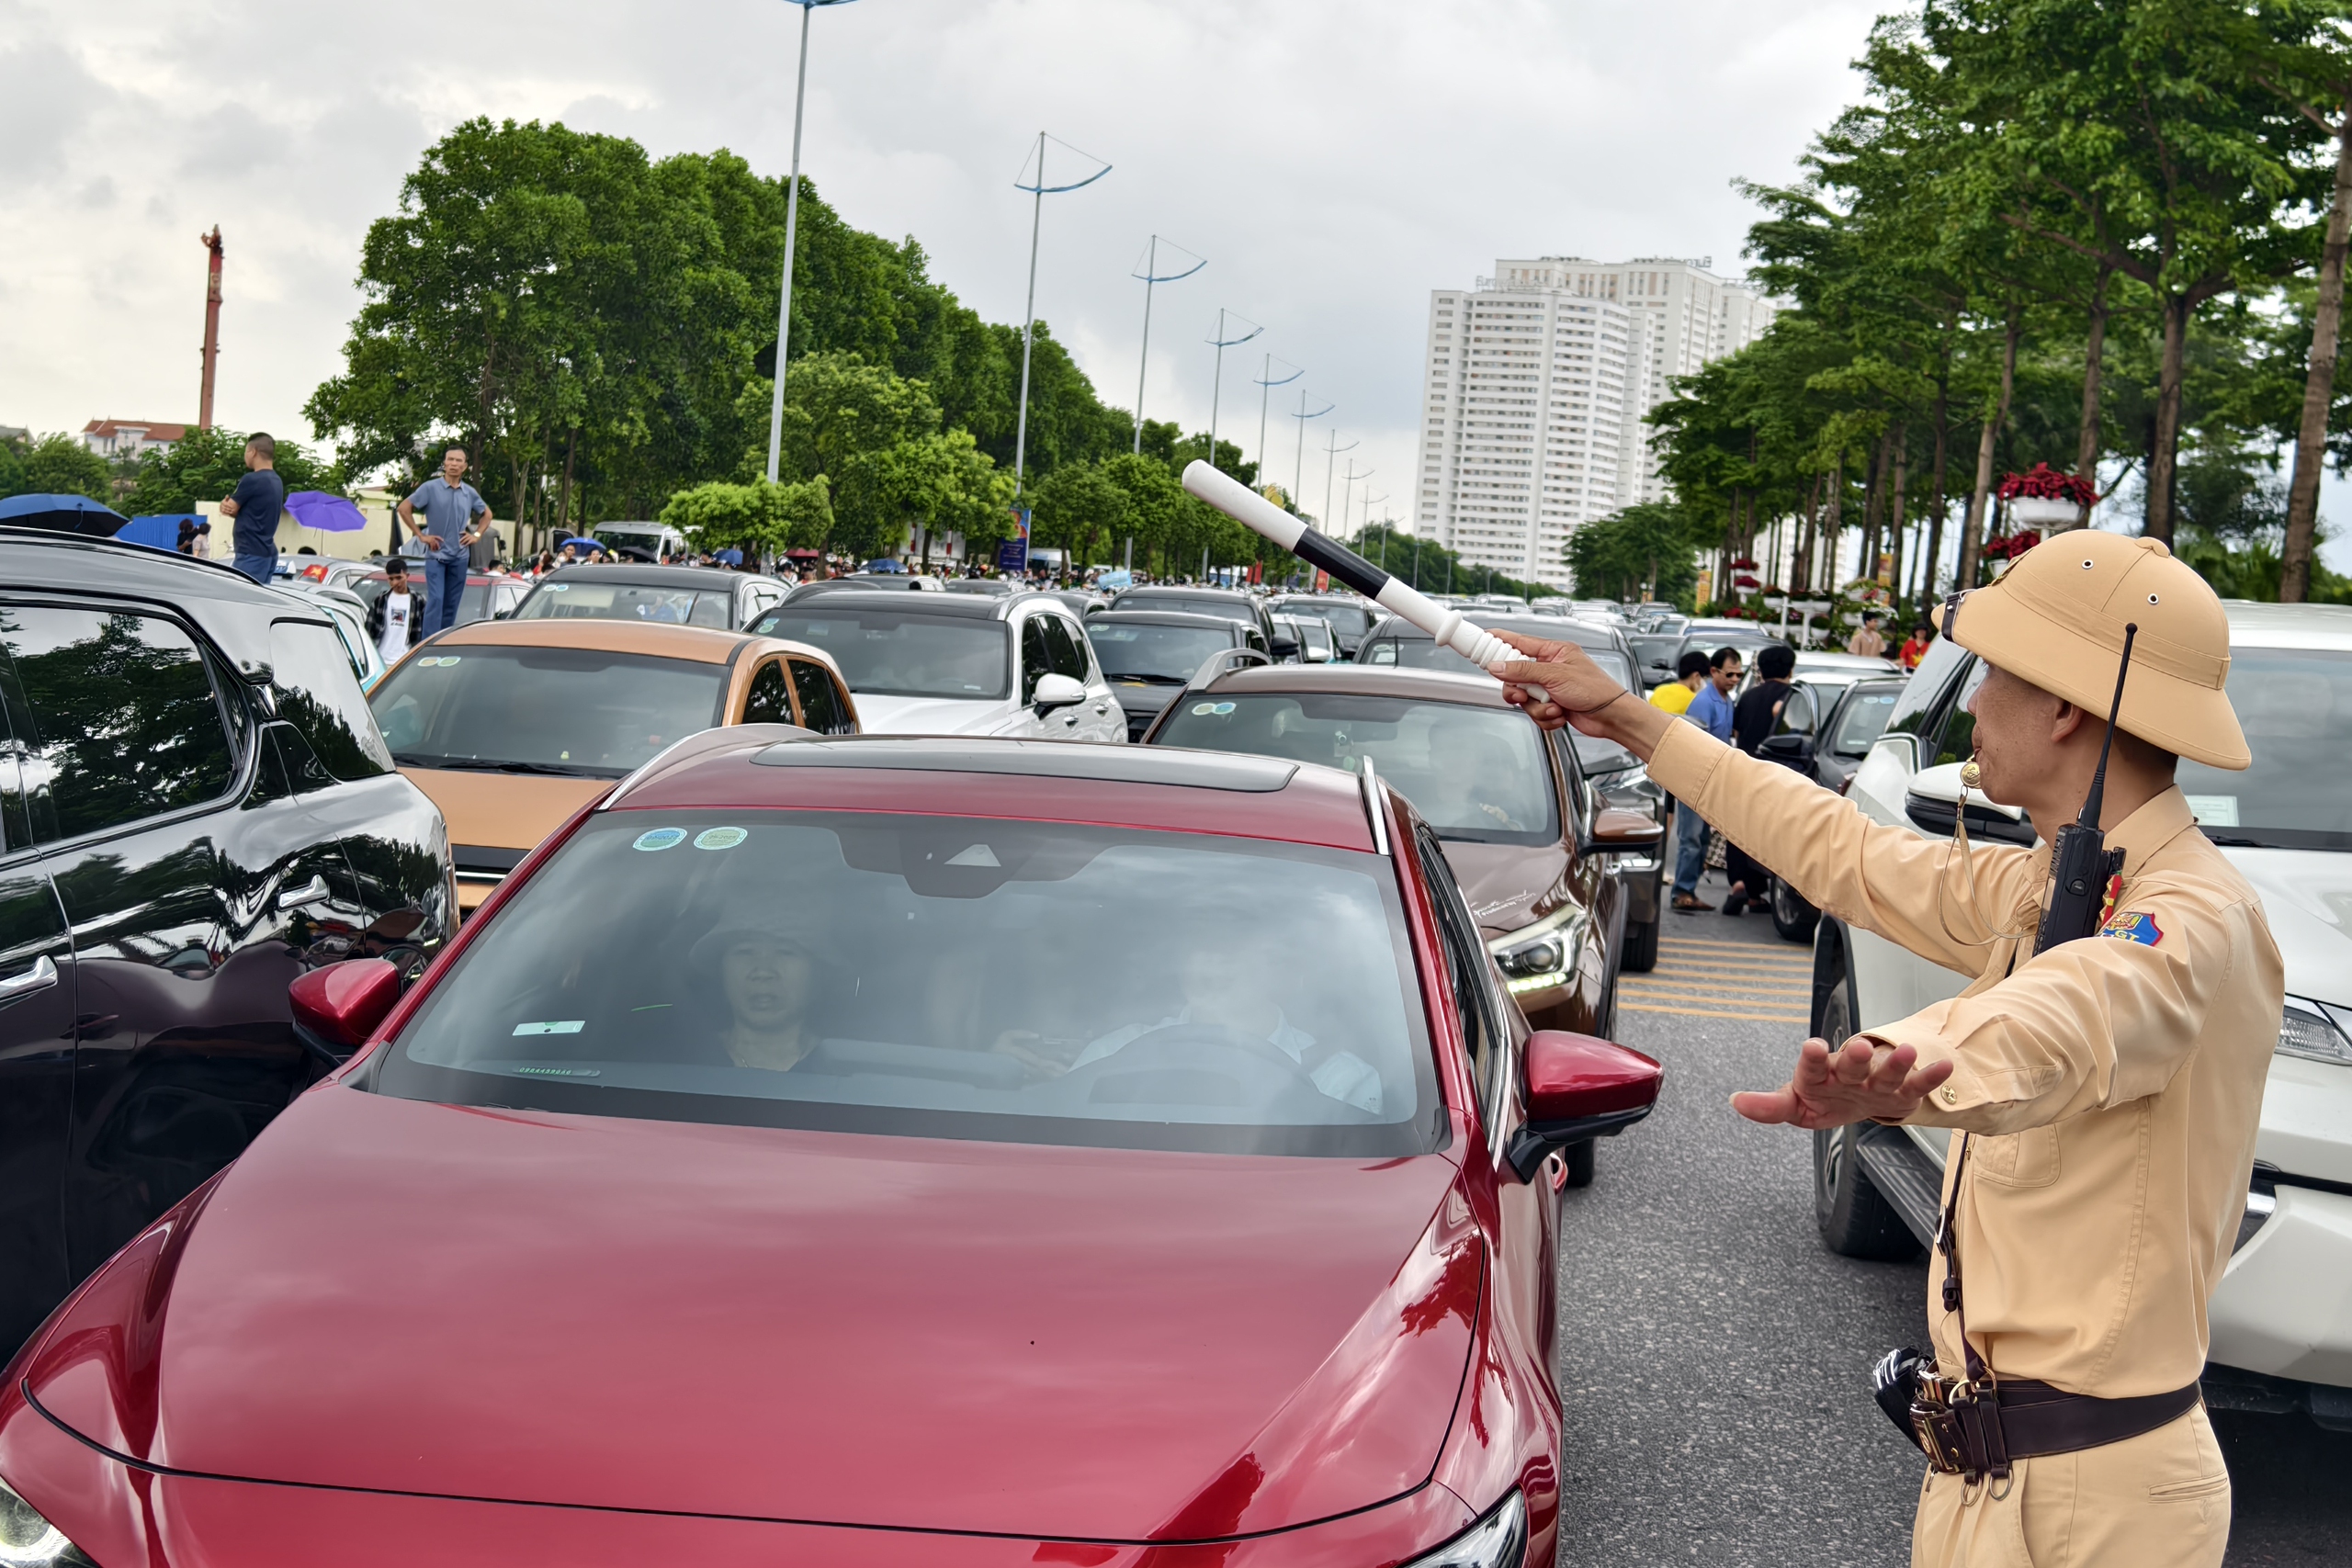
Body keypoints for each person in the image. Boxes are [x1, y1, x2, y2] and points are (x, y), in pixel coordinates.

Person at [1488, 534, 2279, 1568]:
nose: (1969, 699)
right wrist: (1634, 723)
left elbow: (2069, 1014)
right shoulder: (2057, 884)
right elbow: (1849, 853)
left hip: (2094, 1507)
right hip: (1993, 1476)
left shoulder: (2187, 918)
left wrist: (1907, 1060)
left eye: (1991, 672)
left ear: (2066, 707)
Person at [689, 905, 829, 1073]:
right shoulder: (683, 1060)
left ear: (817, 975)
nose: (763, 972)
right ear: (721, 973)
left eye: (785, 951)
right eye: (745, 951)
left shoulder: (846, 1068)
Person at [1724, 641, 1797, 915]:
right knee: (1768, 833)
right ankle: (1757, 892)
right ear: (1790, 669)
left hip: (1744, 768)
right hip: (1776, 773)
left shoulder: (1748, 697)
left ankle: (1740, 885)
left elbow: (1738, 733)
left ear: (1762, 670)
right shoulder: (1791, 697)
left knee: (1738, 829)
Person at [1670, 646, 1742, 911]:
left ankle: (1688, 889)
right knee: (1690, 838)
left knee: (1701, 839)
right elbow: (1693, 745)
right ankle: (1681, 893)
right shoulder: (1703, 702)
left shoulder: (1727, 700)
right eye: (1730, 674)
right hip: (1694, 777)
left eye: (1739, 675)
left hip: (1712, 779)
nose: (1735, 680)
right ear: (1713, 672)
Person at [397, 447, 491, 636]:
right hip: (436, 555)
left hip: (460, 556)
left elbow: (487, 514)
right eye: (450, 460)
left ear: (465, 466)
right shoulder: (430, 488)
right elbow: (404, 508)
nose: (454, 464)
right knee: (437, 599)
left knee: (451, 604)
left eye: (458, 461)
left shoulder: (469, 492)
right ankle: (428, 644)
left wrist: (477, 535)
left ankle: (444, 641)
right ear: (445, 463)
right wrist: (421, 535)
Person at [217, 432, 285, 585]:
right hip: (267, 552)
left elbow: (230, 508)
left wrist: (224, 506)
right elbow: (255, 513)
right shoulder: (276, 481)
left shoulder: (252, 479)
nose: (245, 456)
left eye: (246, 452)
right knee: (258, 602)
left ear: (253, 452)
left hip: (251, 553)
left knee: (238, 600)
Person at [368, 558, 422, 666]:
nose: (395, 583)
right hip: (380, 661)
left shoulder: (418, 601)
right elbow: (369, 631)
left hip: (405, 662)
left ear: (407, 576)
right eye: (391, 579)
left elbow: (421, 634)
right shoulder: (380, 600)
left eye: (399, 578)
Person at [1650, 649, 1710, 715]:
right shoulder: (1695, 701)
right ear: (1696, 676)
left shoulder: (1659, 691)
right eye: (1705, 679)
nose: (1705, 683)